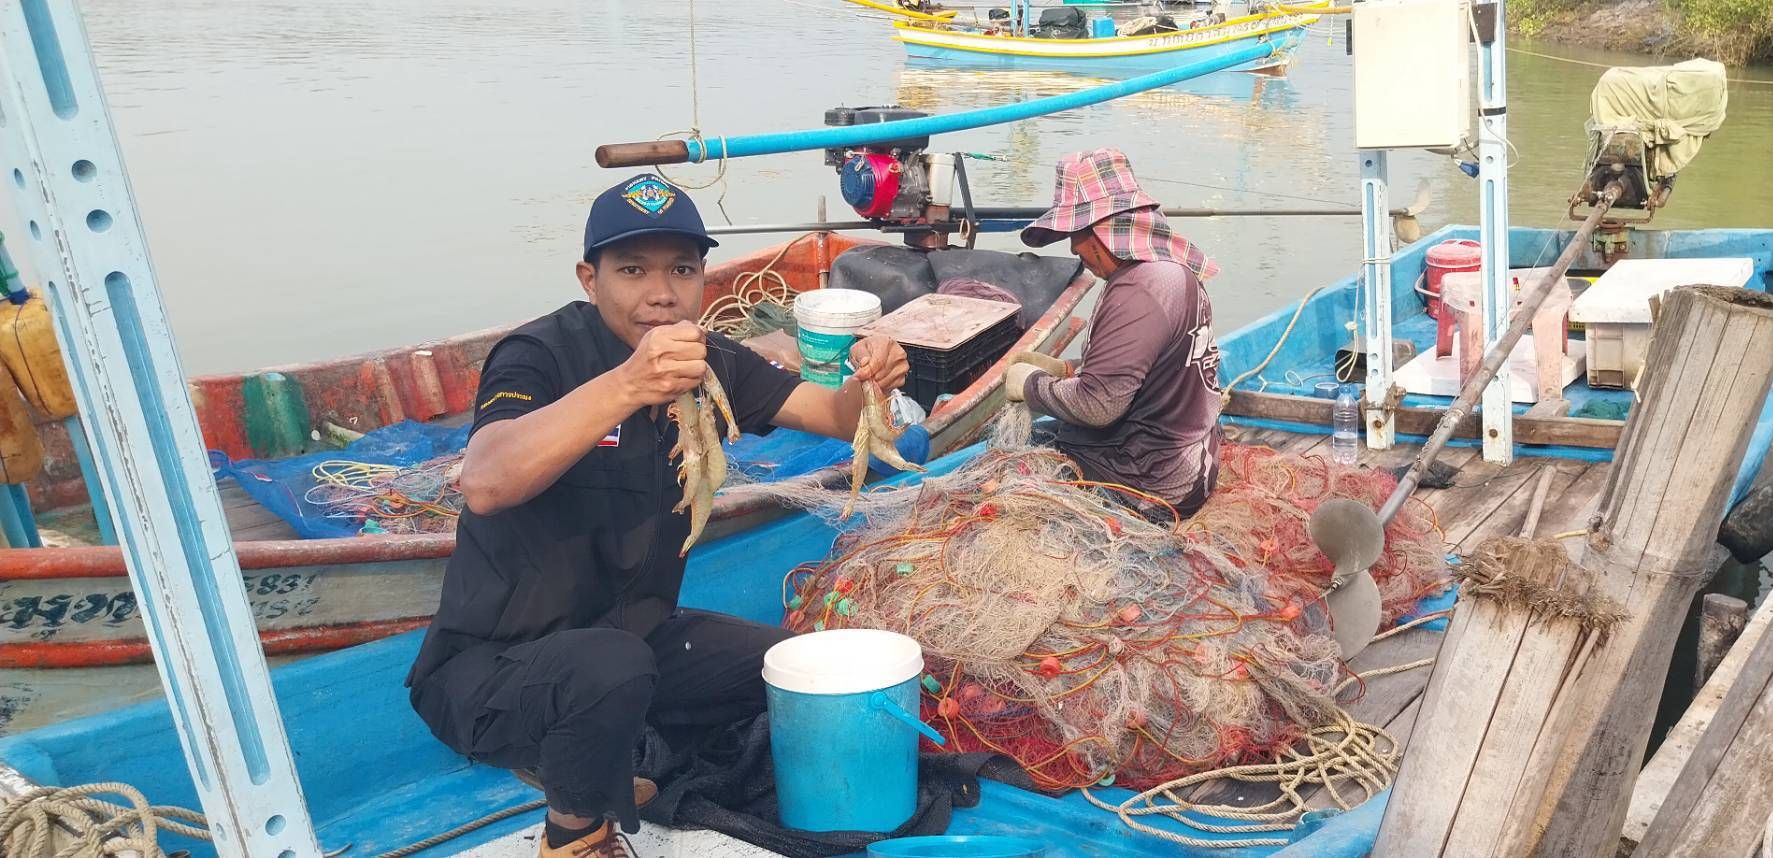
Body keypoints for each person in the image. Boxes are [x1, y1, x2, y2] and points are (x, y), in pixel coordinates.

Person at [406, 174, 914, 857]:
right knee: (607, 668)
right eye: (631, 270)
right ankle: (575, 835)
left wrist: (872, 380)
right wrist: (627, 384)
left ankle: (615, 747)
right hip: (490, 670)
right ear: (589, 279)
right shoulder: (539, 355)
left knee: (786, 671)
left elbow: (836, 416)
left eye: (681, 268)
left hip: (638, 639)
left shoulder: (709, 359)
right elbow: (487, 482)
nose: (661, 292)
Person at [1004, 147, 1223, 520]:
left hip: (1152, 483)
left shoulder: (1139, 290)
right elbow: (1150, 366)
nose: (1074, 247)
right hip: (1191, 461)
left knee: (1004, 468)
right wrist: (1071, 370)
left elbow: (1098, 407)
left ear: (1104, 229)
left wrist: (1029, 385)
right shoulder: (1166, 272)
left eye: (1077, 232)